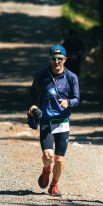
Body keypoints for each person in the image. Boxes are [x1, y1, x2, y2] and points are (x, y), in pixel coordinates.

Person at [29, 44, 80, 197]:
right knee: (48, 156)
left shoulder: (71, 77)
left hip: (62, 121)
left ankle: (54, 186)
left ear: (65, 59)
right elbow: (33, 92)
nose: (56, 61)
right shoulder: (41, 75)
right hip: (46, 120)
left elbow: (77, 98)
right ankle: (46, 170)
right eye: (53, 58)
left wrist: (68, 102)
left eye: (59, 58)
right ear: (49, 59)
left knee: (59, 159)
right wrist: (32, 106)